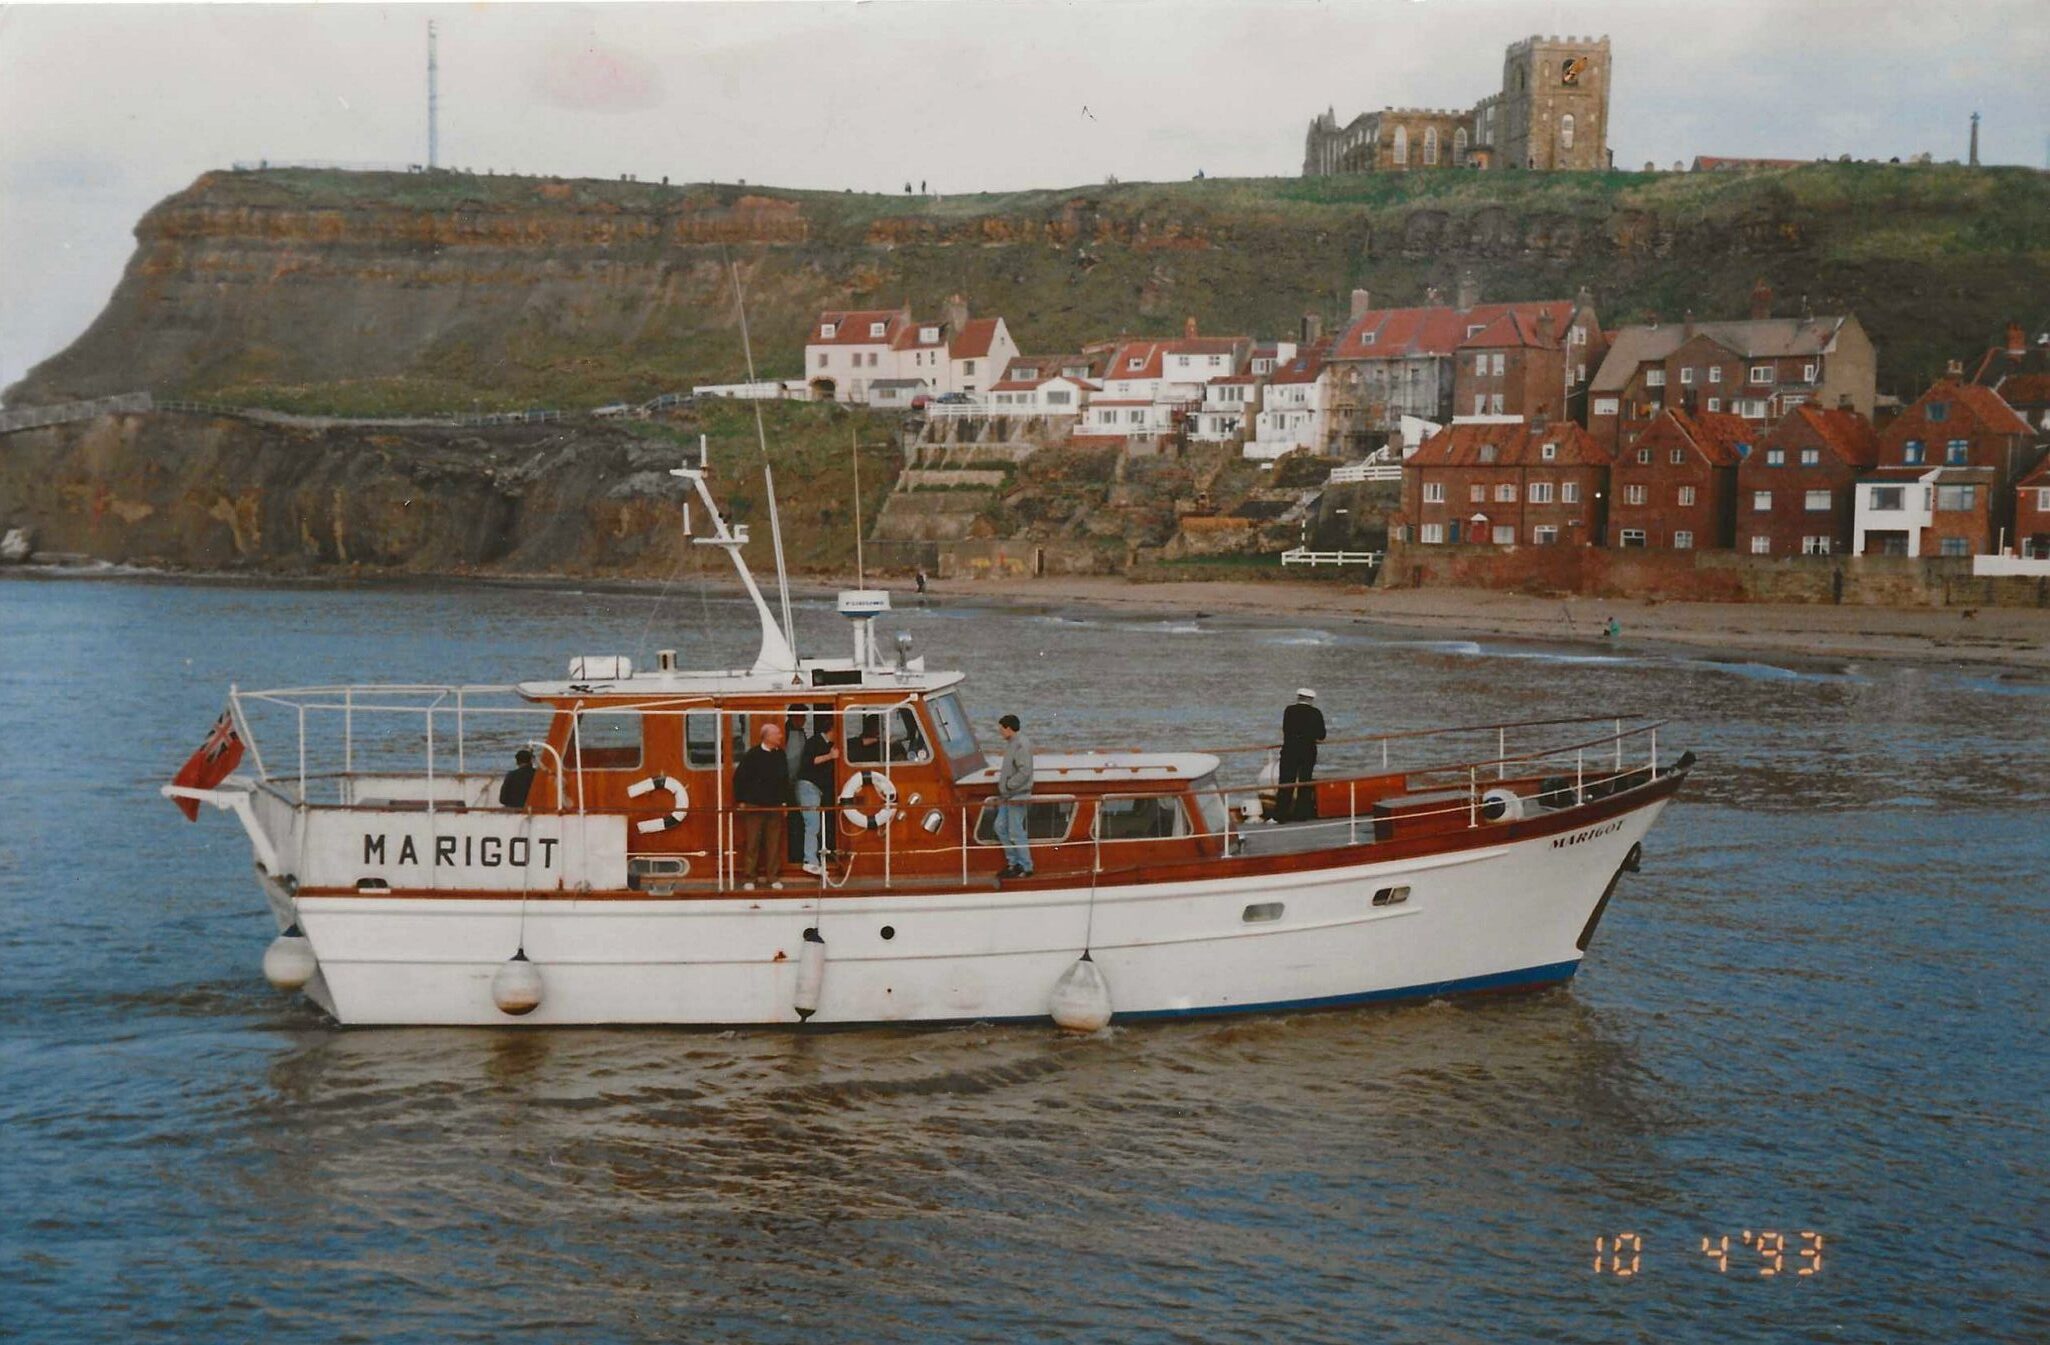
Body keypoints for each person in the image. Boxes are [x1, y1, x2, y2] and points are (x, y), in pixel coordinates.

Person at [732, 722, 791, 890]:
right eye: (777, 734)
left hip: (775, 806)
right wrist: (741, 800)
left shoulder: (780, 755)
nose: (780, 736)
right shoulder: (753, 754)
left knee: (774, 844)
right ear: (767, 737)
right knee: (752, 843)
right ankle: (749, 877)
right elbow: (739, 778)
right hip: (754, 806)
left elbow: (784, 780)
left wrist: (785, 802)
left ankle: (773, 877)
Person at [994, 713, 1034, 878]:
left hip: (1017, 795)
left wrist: (1009, 785)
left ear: (1008, 728)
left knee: (1016, 830)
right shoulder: (1012, 743)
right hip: (1008, 796)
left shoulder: (1020, 745)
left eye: (1001, 729)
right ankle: (1014, 862)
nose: (1000, 732)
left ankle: (1026, 866)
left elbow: (1025, 770)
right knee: (1000, 826)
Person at [797, 713, 837, 875]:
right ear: (832, 729)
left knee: (818, 824)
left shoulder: (830, 743)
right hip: (808, 786)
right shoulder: (814, 742)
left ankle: (820, 857)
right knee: (812, 824)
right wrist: (830, 756)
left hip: (818, 789)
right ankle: (810, 861)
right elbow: (809, 761)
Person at [1277, 688, 1326, 823]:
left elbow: (1285, 729)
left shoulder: (1289, 711)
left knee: (1286, 783)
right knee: (1305, 782)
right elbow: (1322, 735)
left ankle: (1281, 815)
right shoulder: (1316, 713)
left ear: (1298, 697)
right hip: (1308, 751)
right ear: (1311, 700)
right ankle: (1301, 815)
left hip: (1290, 751)